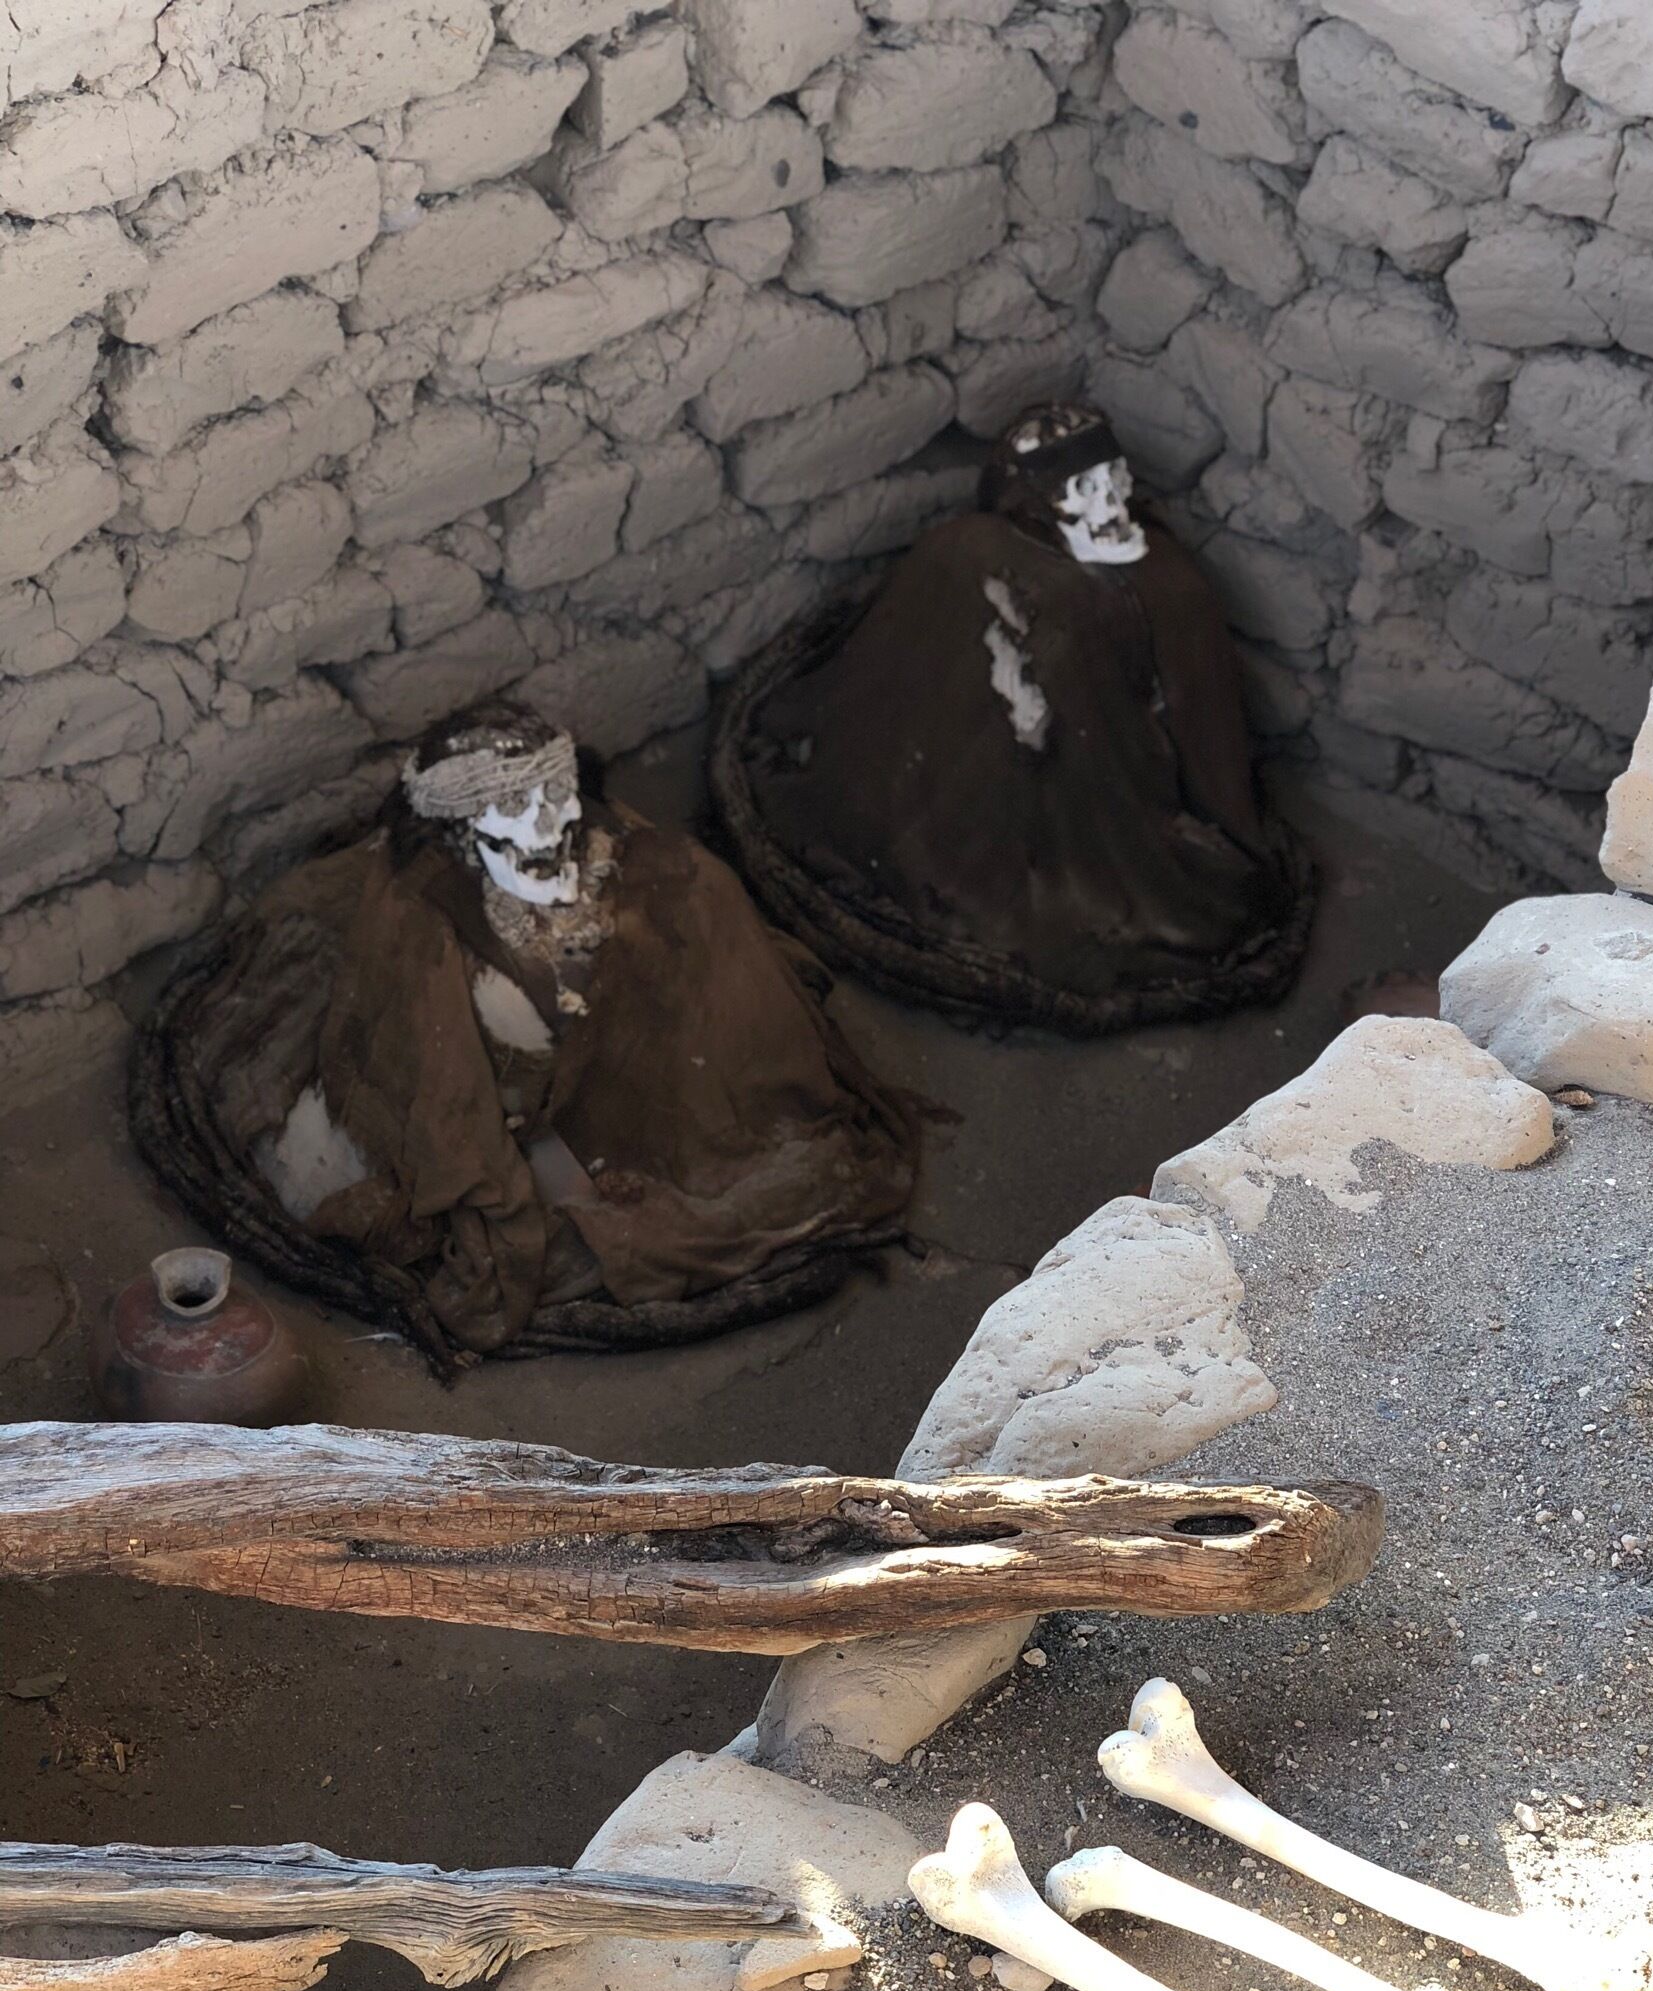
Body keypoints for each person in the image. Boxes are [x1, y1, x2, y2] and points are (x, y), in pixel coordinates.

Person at [132, 704, 919, 1371]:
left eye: (555, 793)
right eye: (512, 807)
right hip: (524, 1110)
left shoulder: (658, 873)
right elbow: (446, 1117)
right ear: (460, 834)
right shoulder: (424, 934)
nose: (548, 824)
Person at [712, 403, 1313, 1033]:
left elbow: (1188, 725)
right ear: (1041, 503)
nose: (1108, 501)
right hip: (937, 752)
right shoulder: (972, 545)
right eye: (1083, 490)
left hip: (1070, 781)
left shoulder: (1163, 586)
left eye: (1115, 480)